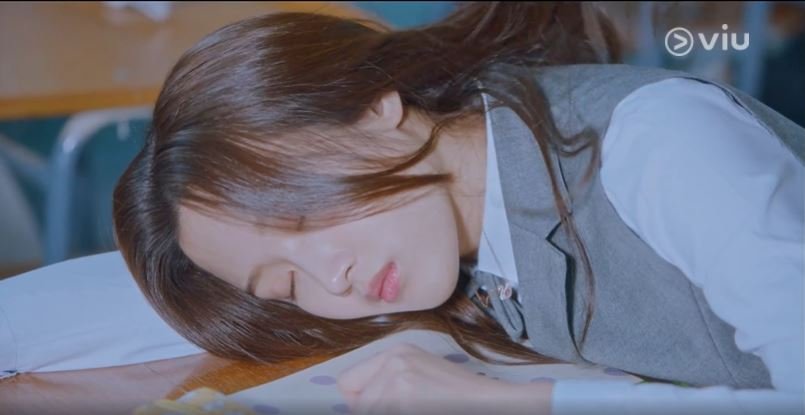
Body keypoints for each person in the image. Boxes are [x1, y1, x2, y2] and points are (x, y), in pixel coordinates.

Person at [106, 2, 803, 415]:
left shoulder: (656, 142)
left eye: (300, 214)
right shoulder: (454, 241)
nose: (330, 278)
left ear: (372, 106)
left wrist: (518, 405)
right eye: (286, 285)